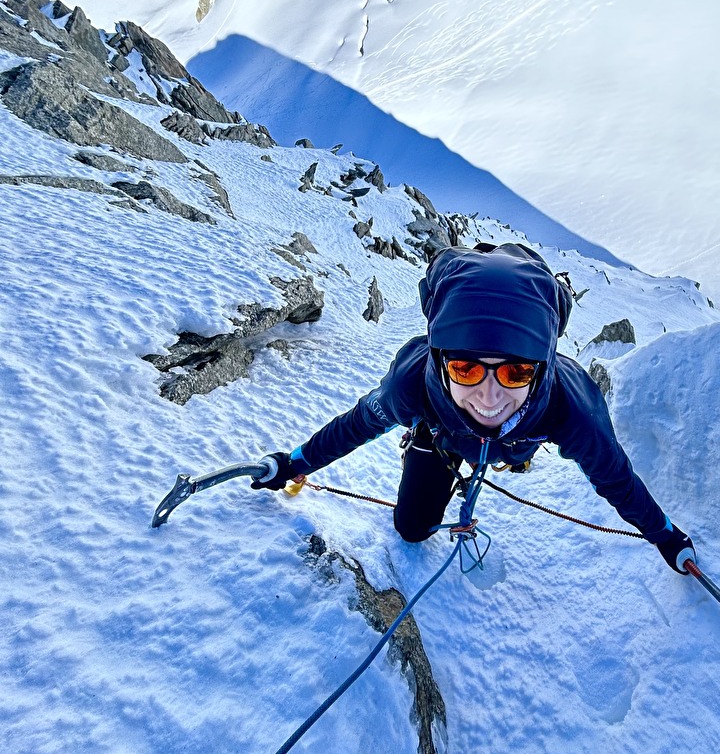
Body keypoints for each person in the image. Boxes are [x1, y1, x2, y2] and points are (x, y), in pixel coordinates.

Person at [253, 243, 695, 572]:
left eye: (515, 373)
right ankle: (428, 439)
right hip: (443, 436)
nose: (488, 397)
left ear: (542, 368)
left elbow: (616, 479)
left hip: (502, 442)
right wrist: (294, 463)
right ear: (440, 359)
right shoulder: (413, 385)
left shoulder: (569, 405)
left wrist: (666, 537)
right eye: (465, 368)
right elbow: (357, 424)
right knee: (412, 529)